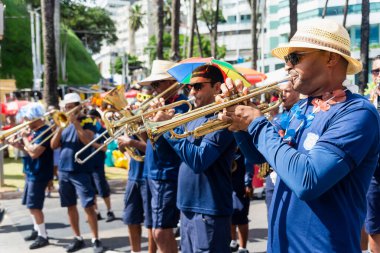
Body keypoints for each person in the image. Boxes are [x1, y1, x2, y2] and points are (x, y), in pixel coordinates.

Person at [218, 19, 380, 252]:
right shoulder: (301, 109)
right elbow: (262, 160)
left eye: (295, 57)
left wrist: (256, 124)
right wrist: (240, 125)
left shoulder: (357, 113)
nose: (287, 66)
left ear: (330, 58)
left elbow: (307, 180)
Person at [151, 65, 236, 252]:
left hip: (209, 207)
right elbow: (166, 156)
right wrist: (158, 126)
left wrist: (168, 128)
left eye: (198, 87)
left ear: (216, 87)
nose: (192, 91)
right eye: (190, 87)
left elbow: (199, 160)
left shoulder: (223, 118)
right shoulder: (190, 116)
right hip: (187, 205)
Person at [140, 60, 188, 253]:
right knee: (153, 228)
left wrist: (161, 121)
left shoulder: (182, 107)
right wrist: (143, 121)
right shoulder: (157, 106)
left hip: (167, 172)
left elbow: (181, 137)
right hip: (152, 171)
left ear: (170, 83)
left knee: (161, 231)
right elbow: (148, 139)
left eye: (156, 84)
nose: (153, 90)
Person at [50, 93, 104, 253]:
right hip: (64, 170)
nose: (68, 109)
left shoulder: (89, 121)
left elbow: (88, 141)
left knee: (88, 205)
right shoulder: (63, 123)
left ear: (78, 106)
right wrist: (60, 127)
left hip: (81, 170)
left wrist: (76, 124)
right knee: (70, 206)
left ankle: (96, 239)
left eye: (71, 106)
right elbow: (53, 145)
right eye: (66, 107)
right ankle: (77, 237)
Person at [8, 103, 54, 249]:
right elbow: (30, 151)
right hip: (31, 171)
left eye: (28, 118)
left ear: (36, 118)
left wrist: (24, 139)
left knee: (35, 206)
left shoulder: (45, 131)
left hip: (39, 172)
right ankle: (37, 229)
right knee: (30, 205)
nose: (26, 121)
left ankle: (43, 236)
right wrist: (19, 146)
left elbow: (35, 153)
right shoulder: (35, 131)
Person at [265, 80, 300, 213]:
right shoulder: (277, 117)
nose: (282, 95)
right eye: (280, 92)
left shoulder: (302, 114)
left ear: (297, 91)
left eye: (287, 91)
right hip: (273, 174)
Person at [87, 109, 116, 222]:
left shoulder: (103, 131)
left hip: (98, 162)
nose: (91, 120)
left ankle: (110, 210)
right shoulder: (87, 129)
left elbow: (105, 148)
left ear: (98, 118)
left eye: (93, 118)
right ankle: (96, 212)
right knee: (91, 189)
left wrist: (90, 142)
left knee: (102, 187)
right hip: (88, 163)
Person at [365, 55, 380, 253]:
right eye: (376, 71)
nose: (379, 75)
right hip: (373, 172)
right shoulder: (367, 101)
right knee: (374, 225)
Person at [230, 150, 253, 253]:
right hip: (227, 183)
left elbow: (248, 161)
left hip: (240, 183)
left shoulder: (240, 137)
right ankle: (233, 241)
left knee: (241, 217)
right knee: (229, 216)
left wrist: (248, 182)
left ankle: (243, 248)